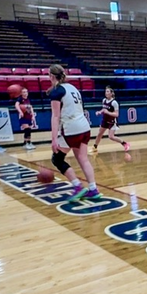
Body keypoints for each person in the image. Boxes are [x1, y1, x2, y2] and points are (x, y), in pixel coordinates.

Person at [48, 63, 101, 201]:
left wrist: (54, 139)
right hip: (84, 127)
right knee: (83, 158)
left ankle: (77, 186)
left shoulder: (57, 91)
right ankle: (93, 189)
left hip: (71, 129)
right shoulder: (73, 87)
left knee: (57, 159)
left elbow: (55, 116)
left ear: (52, 76)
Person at [91, 86, 131, 155]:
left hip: (112, 121)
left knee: (111, 136)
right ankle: (95, 147)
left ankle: (125, 143)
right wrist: (99, 112)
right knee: (99, 134)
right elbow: (104, 109)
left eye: (107, 91)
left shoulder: (114, 103)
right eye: (105, 91)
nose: (106, 93)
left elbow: (116, 114)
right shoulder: (104, 100)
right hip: (105, 120)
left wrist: (108, 112)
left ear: (111, 93)